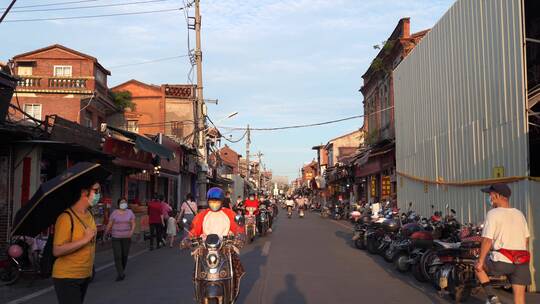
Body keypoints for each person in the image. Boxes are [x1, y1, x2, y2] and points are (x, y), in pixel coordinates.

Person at [183, 187, 245, 299]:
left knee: (236, 270)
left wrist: (240, 237)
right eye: (212, 201)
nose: (214, 204)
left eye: (216, 201)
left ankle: (233, 291)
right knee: (197, 272)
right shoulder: (202, 215)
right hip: (205, 249)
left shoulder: (229, 213)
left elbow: (238, 228)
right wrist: (187, 239)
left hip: (225, 247)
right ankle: (199, 292)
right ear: (208, 201)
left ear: (221, 201)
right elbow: (194, 230)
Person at [475, 184, 530, 304]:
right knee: (520, 299)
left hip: (500, 262)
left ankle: (492, 298)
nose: (489, 197)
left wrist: (481, 261)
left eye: (490, 194)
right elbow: (526, 239)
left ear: (497, 195)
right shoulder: (519, 214)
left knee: (478, 267)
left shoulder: (493, 214)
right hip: (521, 262)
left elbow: (487, 240)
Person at [52, 180, 100, 304]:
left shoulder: (89, 214)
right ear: (84, 192)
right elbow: (57, 250)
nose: (99, 195)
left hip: (85, 274)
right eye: (96, 191)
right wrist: (84, 240)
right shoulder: (66, 217)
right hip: (67, 277)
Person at [105, 198, 135, 281]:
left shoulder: (130, 212)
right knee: (118, 256)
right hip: (116, 237)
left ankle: (122, 269)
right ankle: (120, 273)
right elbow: (110, 224)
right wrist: (105, 233)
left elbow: (133, 223)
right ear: (118, 204)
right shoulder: (114, 213)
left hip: (126, 237)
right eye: (122, 202)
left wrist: (131, 232)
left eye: (125, 202)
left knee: (124, 255)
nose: (123, 204)